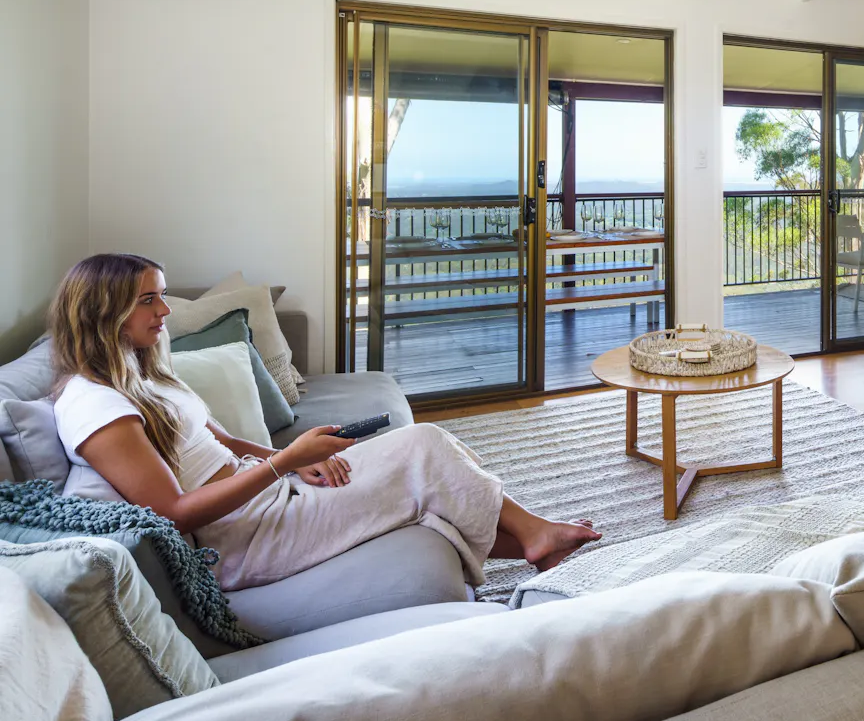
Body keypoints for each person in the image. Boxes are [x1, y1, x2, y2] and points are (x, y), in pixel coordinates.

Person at [47, 253, 600, 591]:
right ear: (103, 313)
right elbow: (171, 513)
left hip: (264, 494)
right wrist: (286, 462)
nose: (165, 311)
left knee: (438, 462)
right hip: (241, 537)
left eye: (162, 296)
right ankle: (534, 534)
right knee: (425, 448)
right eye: (149, 300)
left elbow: (223, 440)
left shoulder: (144, 376)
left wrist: (288, 463)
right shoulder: (93, 406)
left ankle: (535, 540)